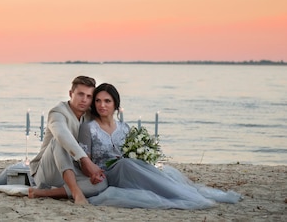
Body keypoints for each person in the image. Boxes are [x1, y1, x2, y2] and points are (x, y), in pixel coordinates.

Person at [78, 83, 242, 209]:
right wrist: (92, 173)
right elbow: (84, 160)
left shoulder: (124, 127)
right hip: (107, 174)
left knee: (156, 170)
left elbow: (130, 153)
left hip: (130, 170)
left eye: (107, 101)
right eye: (98, 101)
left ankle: (182, 193)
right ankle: (182, 196)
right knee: (126, 163)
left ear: (115, 104)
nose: (102, 105)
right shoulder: (88, 127)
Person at [28, 76, 108, 204]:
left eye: (89, 96)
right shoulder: (57, 112)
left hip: (73, 170)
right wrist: (86, 161)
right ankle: (76, 192)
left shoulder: (90, 116)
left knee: (102, 184)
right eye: (80, 94)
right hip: (48, 172)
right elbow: (61, 134)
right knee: (59, 141)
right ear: (71, 94)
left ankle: (43, 193)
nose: (84, 100)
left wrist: (92, 171)